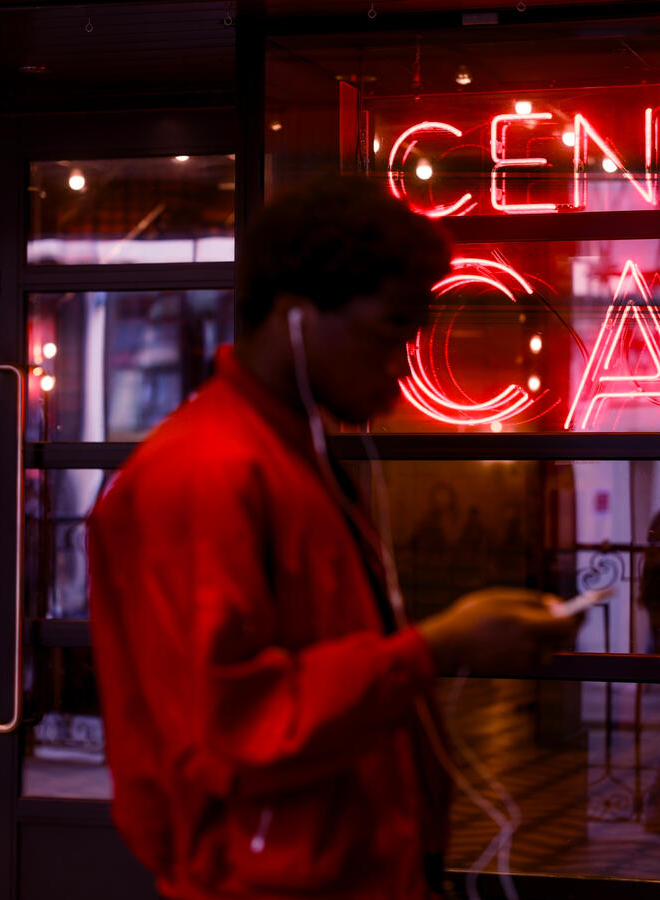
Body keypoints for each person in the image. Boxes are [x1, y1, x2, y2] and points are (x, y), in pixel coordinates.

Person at [87, 175, 578, 900]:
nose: (403, 371)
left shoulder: (285, 456)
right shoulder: (206, 473)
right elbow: (233, 724)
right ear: (295, 316)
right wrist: (436, 649)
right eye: (388, 335)